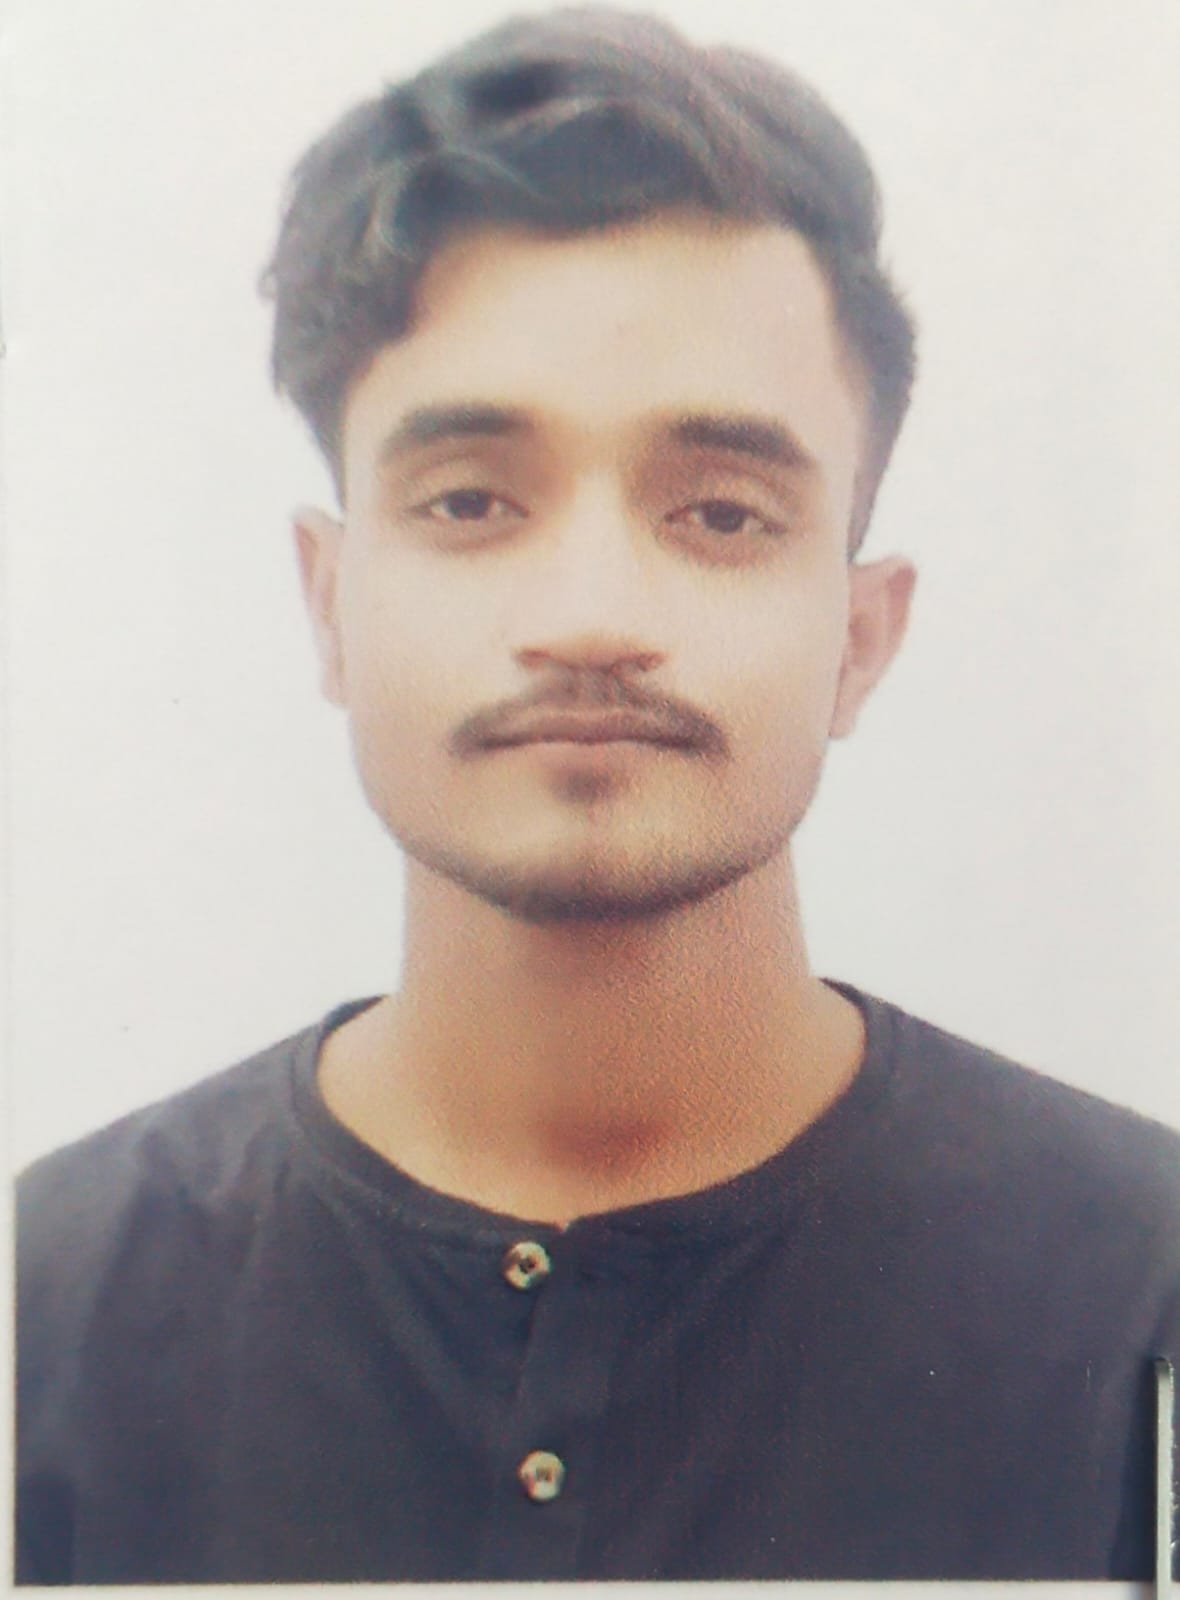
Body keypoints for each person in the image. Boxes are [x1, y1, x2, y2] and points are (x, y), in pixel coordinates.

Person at [15, 5, 1179, 1584]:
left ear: (859, 638)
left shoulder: (1143, 1291)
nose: (588, 614)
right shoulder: (46, 1312)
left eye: (719, 514)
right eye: (470, 500)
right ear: (329, 604)